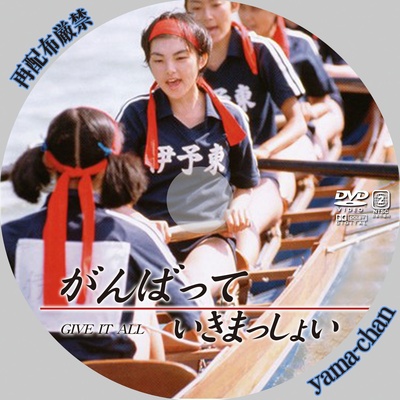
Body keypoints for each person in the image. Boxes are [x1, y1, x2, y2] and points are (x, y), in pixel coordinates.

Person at [1, 106, 203, 362]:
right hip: (116, 373)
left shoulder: (9, 234)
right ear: (112, 163)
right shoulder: (135, 235)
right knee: (144, 294)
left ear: (47, 162)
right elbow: (190, 313)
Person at [117, 11, 260, 303]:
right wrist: (140, 221)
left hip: (211, 238)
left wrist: (238, 208)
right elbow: (114, 195)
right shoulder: (134, 115)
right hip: (148, 241)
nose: (170, 70)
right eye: (158, 60)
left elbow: (245, 185)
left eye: (181, 58)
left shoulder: (231, 116)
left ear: (202, 59)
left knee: (189, 293)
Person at [184, 0, 318, 266]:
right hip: (211, 174)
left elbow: (298, 122)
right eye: (196, 9)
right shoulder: (182, 60)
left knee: (243, 223)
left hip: (263, 170)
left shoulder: (262, 50)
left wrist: (264, 151)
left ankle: (238, 279)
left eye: (215, 5)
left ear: (233, 5)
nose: (207, 17)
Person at [238, 5, 345, 160]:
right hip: (246, 136)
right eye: (242, 8)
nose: (247, 17)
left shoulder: (300, 44)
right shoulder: (226, 48)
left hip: (291, 136)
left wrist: (308, 112)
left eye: (256, 9)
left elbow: (323, 101)